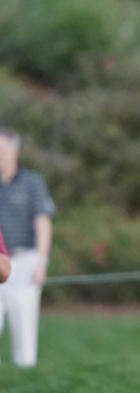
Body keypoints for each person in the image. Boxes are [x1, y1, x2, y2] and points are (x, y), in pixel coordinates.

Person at [0, 126, 55, 367]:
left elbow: (42, 222)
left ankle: (24, 381)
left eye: (2, 148)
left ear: (15, 150)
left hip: (23, 262)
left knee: (23, 332)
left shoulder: (32, 182)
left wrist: (41, 261)